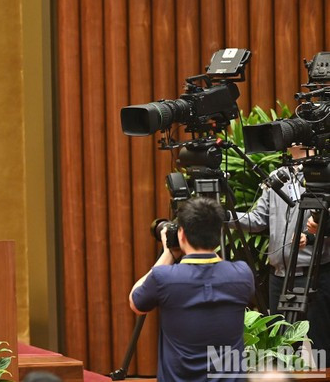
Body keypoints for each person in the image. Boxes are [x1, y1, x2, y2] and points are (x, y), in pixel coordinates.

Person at [129, 196, 254, 381]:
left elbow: (136, 302)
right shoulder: (242, 275)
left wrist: (168, 254)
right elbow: (219, 270)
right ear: (219, 233)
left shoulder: (164, 277)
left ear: (181, 234)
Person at [236, 160, 330, 354]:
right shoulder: (278, 175)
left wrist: (313, 236)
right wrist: (223, 215)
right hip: (278, 276)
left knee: (321, 349)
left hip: (313, 273)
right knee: (280, 349)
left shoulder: (324, 173)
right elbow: (257, 220)